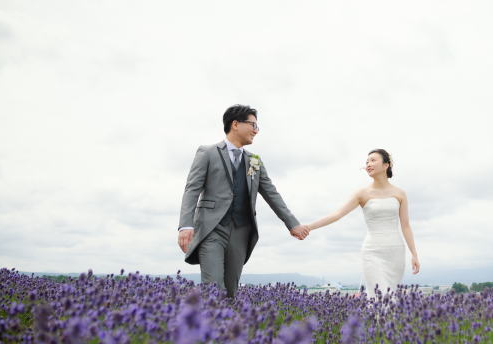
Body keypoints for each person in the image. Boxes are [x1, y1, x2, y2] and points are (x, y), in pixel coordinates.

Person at [177, 104, 309, 298]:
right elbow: (192, 189)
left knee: (231, 292)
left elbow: (272, 194)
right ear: (236, 124)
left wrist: (293, 224)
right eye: (253, 125)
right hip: (211, 229)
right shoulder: (207, 152)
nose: (256, 130)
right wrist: (185, 225)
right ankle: (209, 326)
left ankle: (227, 328)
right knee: (213, 289)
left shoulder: (254, 160)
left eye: (257, 127)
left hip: (241, 232)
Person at [303, 149, 419, 297]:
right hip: (372, 251)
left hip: (395, 251)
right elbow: (337, 214)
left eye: (373, 160)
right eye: (367, 162)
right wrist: (309, 227)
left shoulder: (400, 193)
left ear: (386, 166)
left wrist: (414, 254)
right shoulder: (362, 193)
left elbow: (406, 226)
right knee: (377, 297)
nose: (368, 164)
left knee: (391, 299)